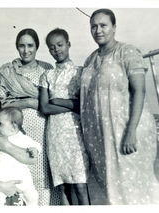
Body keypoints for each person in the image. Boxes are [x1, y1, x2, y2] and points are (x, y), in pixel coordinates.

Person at [80, 8, 159, 204]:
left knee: (132, 187)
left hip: (125, 131)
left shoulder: (128, 52)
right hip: (100, 137)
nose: (98, 30)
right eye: (94, 26)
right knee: (110, 190)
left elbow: (139, 91)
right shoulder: (90, 59)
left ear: (114, 27)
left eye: (103, 25)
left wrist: (131, 132)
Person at [0, 28, 61, 205]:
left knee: (44, 174)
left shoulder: (46, 68)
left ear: (37, 47)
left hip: (44, 128)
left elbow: (54, 98)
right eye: (22, 46)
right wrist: (28, 102)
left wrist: (34, 102)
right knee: (23, 174)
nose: (26, 50)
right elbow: (1, 104)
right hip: (17, 131)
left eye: (30, 45)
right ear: (17, 47)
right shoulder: (9, 72)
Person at [39, 28, 90, 205]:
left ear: (68, 44)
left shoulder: (80, 72)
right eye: (52, 47)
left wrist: (59, 100)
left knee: (80, 185)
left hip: (76, 135)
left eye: (60, 45)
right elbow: (44, 107)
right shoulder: (47, 75)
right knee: (63, 186)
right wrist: (72, 105)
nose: (57, 50)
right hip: (54, 135)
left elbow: (84, 106)